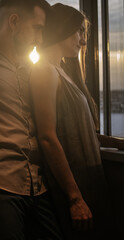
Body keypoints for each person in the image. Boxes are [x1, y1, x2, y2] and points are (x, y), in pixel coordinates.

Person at [30, 3, 124, 239]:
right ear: (62, 29)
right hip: (74, 185)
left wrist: (118, 142)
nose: (83, 41)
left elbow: (74, 131)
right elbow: (48, 137)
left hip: (87, 181)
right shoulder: (44, 72)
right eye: (79, 32)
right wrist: (75, 198)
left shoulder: (59, 72)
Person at [0, 0, 64, 239]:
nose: (40, 38)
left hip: (38, 186)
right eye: (37, 28)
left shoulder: (31, 70)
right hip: (4, 189)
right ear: (14, 22)